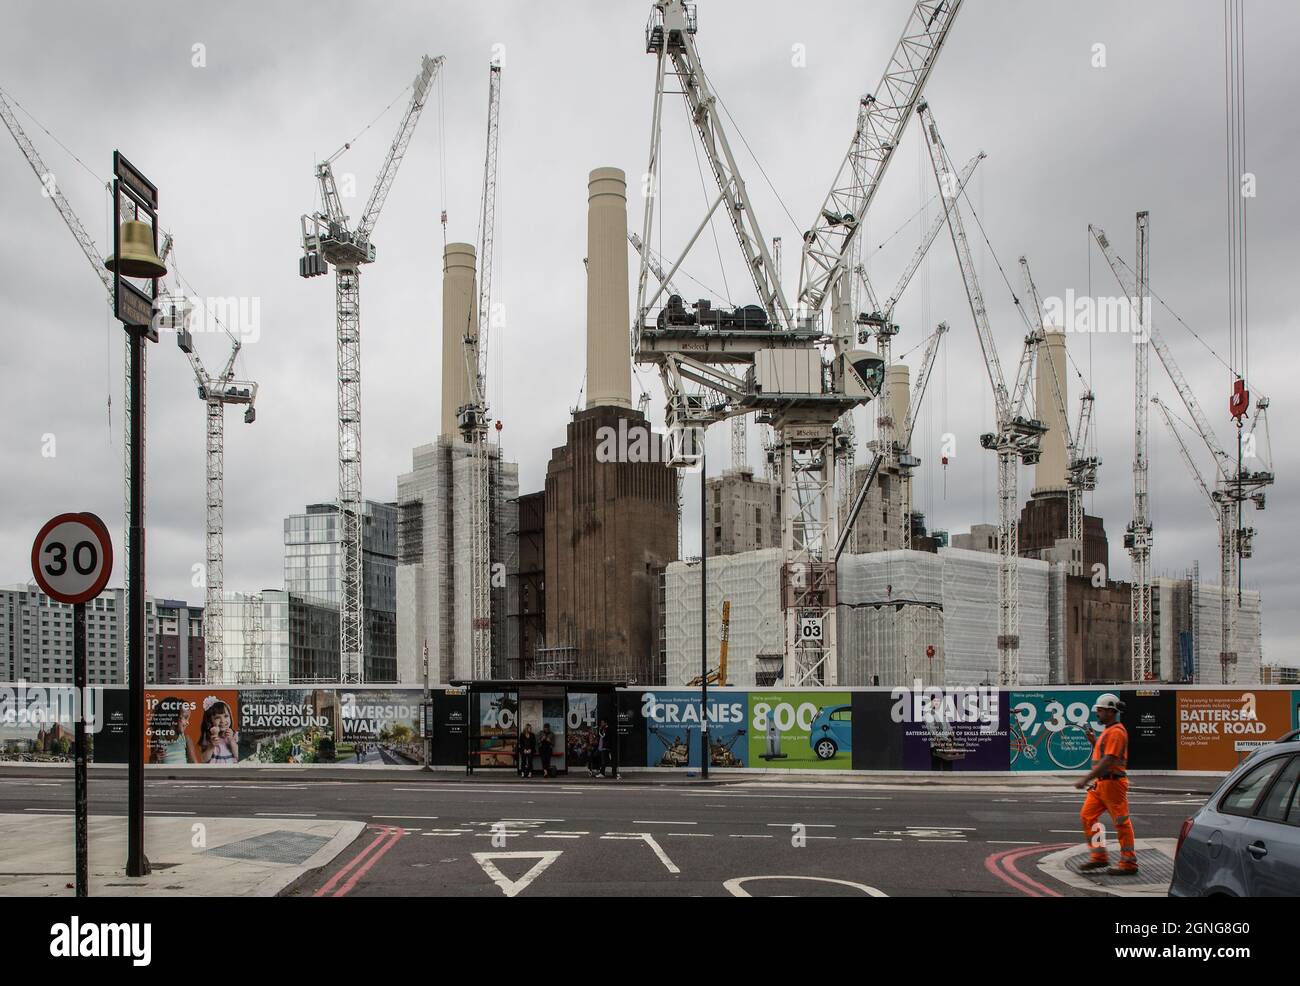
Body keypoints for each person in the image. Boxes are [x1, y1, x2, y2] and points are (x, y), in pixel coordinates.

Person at [1075, 693, 1139, 876]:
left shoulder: (1117, 732)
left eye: (1101, 711)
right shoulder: (1109, 731)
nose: (1098, 714)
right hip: (1102, 784)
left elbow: (1109, 760)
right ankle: (1099, 857)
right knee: (1087, 816)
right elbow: (1105, 755)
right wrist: (1093, 741)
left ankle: (1129, 863)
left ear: (1111, 711)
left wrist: (1085, 779)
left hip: (1113, 784)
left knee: (1121, 822)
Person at [197, 697, 238, 764]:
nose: (223, 721)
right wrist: (211, 746)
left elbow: (238, 756)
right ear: (210, 721)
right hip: (214, 772)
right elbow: (203, 760)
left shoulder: (235, 735)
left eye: (226, 716)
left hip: (231, 771)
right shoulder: (208, 737)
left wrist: (231, 740)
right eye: (217, 717)